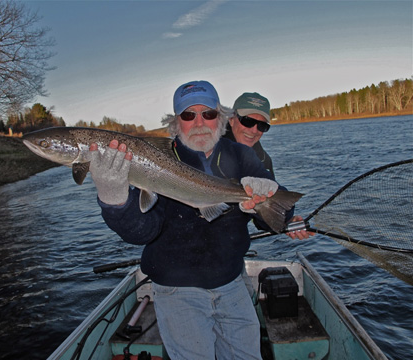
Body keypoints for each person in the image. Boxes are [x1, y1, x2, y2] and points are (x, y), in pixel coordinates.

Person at [87, 80, 295, 360]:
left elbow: (276, 218)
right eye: (188, 115)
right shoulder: (156, 160)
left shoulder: (242, 154)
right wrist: (115, 201)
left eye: (208, 114)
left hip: (231, 282)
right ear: (175, 123)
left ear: (220, 119)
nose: (199, 122)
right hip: (176, 289)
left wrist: (265, 199)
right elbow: (142, 232)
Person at [225, 92, 312, 240]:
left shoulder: (263, 161)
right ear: (232, 120)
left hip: (230, 246)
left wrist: (285, 220)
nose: (254, 130)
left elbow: (263, 222)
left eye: (262, 125)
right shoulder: (207, 146)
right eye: (247, 121)